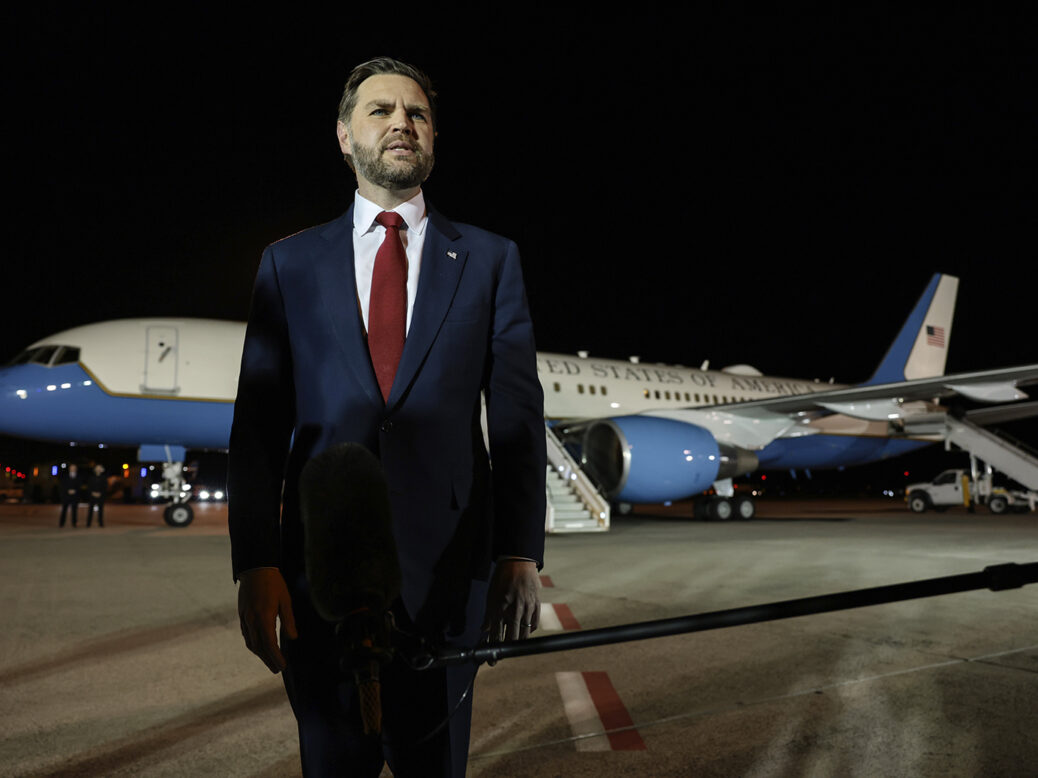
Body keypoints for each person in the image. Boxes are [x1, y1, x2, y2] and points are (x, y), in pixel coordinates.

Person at [228, 56, 546, 777]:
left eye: (418, 113)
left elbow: (518, 419)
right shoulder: (288, 264)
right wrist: (256, 561)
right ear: (345, 137)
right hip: (319, 577)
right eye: (381, 110)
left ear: (433, 138)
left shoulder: (491, 260)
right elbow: (258, 428)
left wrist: (519, 553)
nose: (403, 122)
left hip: (450, 575)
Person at [58, 464, 81, 528]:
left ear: (76, 469)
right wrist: (67, 490)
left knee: (74, 510)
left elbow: (80, 485)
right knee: (64, 510)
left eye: (74, 468)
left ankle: (74, 523)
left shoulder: (79, 476)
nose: (73, 469)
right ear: (69, 469)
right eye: (71, 468)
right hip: (66, 496)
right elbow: (62, 485)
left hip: (75, 496)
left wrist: (75, 491)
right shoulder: (65, 476)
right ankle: (61, 523)